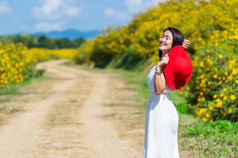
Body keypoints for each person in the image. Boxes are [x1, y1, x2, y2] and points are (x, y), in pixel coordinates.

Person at [143, 27, 192, 158]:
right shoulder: (168, 58)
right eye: (162, 36)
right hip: (158, 108)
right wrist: (180, 46)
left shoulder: (167, 63)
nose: (162, 39)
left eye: (167, 38)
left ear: (173, 43)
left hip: (161, 110)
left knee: (160, 152)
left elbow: (158, 90)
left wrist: (159, 67)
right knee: (159, 150)